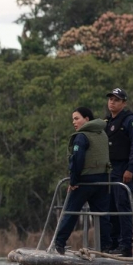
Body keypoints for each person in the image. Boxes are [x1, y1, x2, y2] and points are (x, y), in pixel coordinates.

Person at [52, 107, 112, 255]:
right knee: (102, 214)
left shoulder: (81, 137)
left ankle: (58, 243)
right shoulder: (102, 134)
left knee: (70, 211)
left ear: (87, 119)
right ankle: (106, 246)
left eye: (76, 118)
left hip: (85, 181)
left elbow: (78, 160)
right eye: (73, 119)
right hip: (103, 180)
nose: (74, 122)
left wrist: (73, 181)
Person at [104, 88, 133, 258]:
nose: (112, 102)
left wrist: (131, 168)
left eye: (116, 100)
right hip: (108, 170)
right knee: (110, 208)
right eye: (110, 99)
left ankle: (126, 245)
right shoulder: (105, 121)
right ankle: (113, 243)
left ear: (124, 103)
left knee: (122, 207)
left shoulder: (129, 120)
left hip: (123, 169)